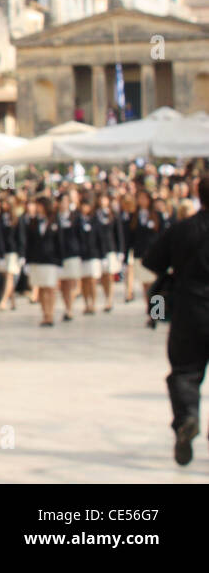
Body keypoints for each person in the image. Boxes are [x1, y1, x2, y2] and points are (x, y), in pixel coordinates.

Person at [143, 172, 209, 465]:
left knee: (184, 371)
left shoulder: (182, 229)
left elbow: (151, 261)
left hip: (189, 309)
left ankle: (187, 419)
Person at [25, 197, 60, 326]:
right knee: (41, 288)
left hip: (51, 259)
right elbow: (29, 243)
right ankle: (44, 313)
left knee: (50, 288)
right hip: (37, 259)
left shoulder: (54, 221)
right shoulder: (33, 221)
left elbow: (58, 241)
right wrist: (27, 261)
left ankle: (50, 313)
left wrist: (60, 261)